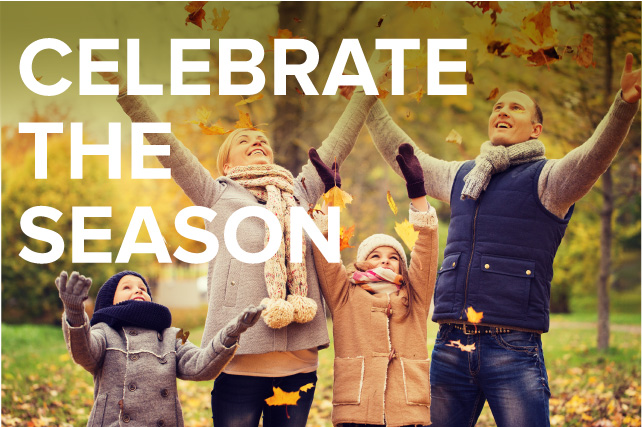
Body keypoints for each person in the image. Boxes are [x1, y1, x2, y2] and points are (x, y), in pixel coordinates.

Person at [96, 56, 386, 426]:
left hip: (298, 360)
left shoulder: (298, 192)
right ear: (226, 165)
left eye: (262, 140)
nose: (257, 142)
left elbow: (337, 145)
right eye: (245, 141)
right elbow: (165, 144)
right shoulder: (216, 194)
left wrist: (365, 93)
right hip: (237, 359)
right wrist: (124, 91)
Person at [360, 53, 641, 427]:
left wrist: (623, 106)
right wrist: (368, 100)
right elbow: (407, 160)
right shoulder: (461, 176)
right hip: (451, 345)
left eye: (516, 107)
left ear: (536, 129)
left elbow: (592, 158)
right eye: (497, 106)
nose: (502, 111)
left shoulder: (549, 181)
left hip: (513, 349)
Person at [308, 144, 439, 426]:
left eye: (393, 257)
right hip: (357, 408)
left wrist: (417, 193)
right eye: (375, 256)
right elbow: (327, 254)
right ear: (361, 263)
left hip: (406, 409)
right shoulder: (345, 294)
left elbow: (426, 252)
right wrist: (332, 196)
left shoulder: (413, 297)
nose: (385, 260)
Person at [56, 269, 263, 427]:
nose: (137, 289)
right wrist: (75, 312)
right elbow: (85, 353)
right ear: (109, 302)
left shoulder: (174, 334)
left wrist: (231, 333)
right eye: (126, 287)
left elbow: (200, 366)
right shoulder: (104, 331)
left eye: (143, 288)